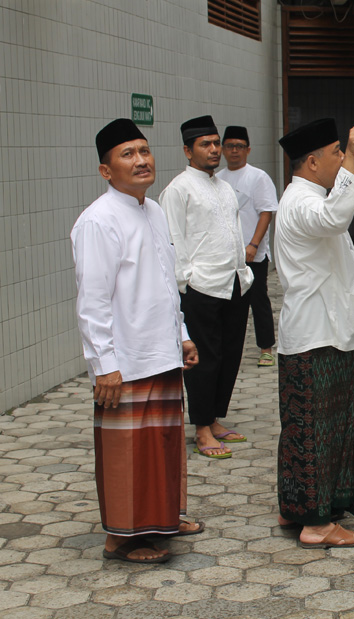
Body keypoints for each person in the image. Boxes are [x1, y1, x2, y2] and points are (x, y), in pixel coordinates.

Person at [72, 118, 203, 564]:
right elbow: (92, 302)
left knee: (163, 446)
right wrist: (103, 364)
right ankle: (121, 538)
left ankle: (163, 519)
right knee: (128, 452)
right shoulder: (98, 221)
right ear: (106, 171)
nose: (141, 160)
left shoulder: (154, 210)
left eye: (144, 151)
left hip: (161, 351)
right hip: (125, 361)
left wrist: (182, 335)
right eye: (127, 154)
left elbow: (166, 283)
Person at [273, 116, 354, 548]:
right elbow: (336, 218)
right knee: (314, 427)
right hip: (316, 333)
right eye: (336, 153)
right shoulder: (301, 201)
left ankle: (303, 506)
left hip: (327, 331)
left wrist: (349, 155)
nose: (342, 158)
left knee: (320, 424)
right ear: (313, 162)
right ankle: (315, 525)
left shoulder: (308, 194)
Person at [159, 115, 254, 459]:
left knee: (228, 356)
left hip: (232, 283)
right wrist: (186, 282)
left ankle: (214, 419)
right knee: (204, 359)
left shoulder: (224, 186)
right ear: (187, 150)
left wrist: (243, 273)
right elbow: (173, 241)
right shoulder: (178, 189)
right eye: (206, 144)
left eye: (216, 143)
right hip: (199, 288)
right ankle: (201, 428)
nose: (215, 150)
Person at [216, 126, 280, 368]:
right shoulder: (218, 179)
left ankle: (266, 348)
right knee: (229, 302)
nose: (234, 151)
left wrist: (254, 243)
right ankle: (228, 348)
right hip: (226, 254)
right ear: (223, 150)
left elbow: (266, 213)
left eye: (239, 146)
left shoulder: (258, 177)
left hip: (253, 253)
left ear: (248, 150)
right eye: (230, 146)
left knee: (258, 300)